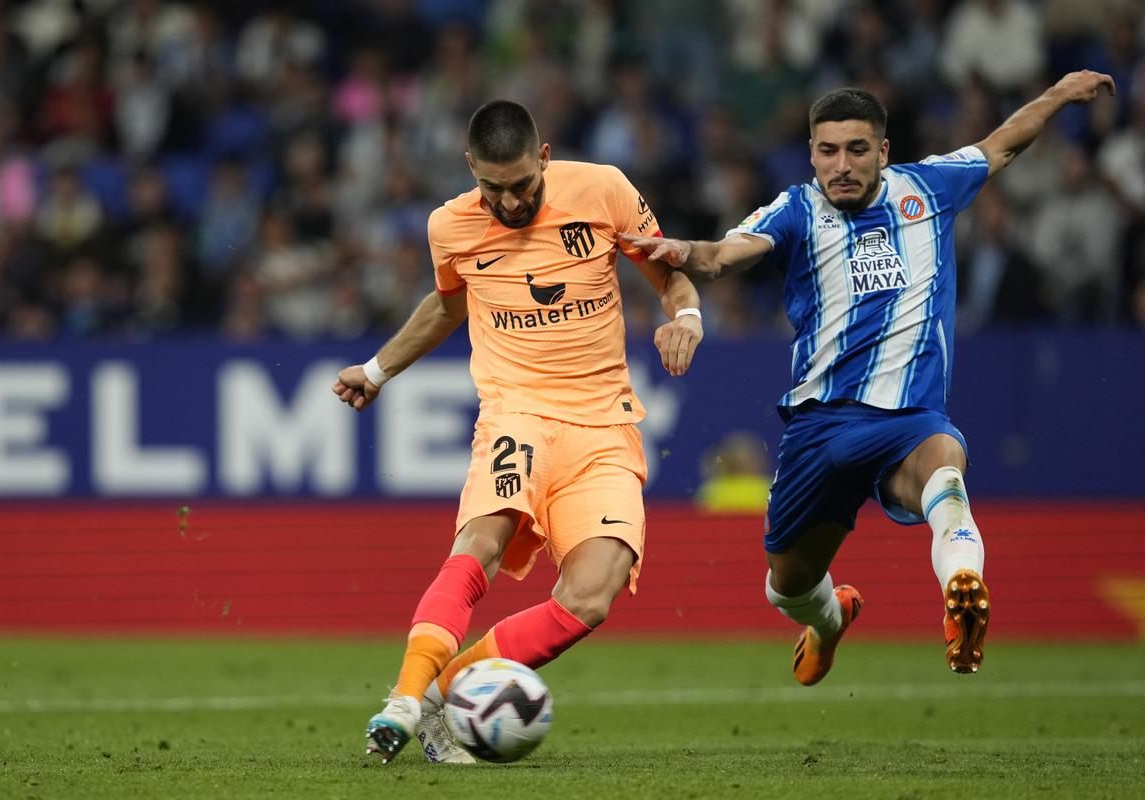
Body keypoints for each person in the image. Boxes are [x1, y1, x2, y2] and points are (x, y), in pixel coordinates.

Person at [621, 70, 1115, 686]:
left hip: (908, 417)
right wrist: (678, 252)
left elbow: (1002, 144)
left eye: (857, 149)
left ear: (883, 151)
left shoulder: (928, 188)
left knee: (944, 466)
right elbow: (722, 255)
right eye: (828, 151)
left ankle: (962, 583)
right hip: (820, 426)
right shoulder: (796, 208)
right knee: (787, 583)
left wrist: (1059, 93)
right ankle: (828, 624)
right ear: (811, 154)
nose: (842, 165)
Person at [333, 99, 703, 762]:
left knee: (592, 596)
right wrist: (376, 368)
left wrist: (688, 318)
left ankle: (442, 695)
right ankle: (404, 699)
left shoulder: (605, 190)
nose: (507, 202)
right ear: (471, 168)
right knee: (481, 538)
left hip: (604, 423)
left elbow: (667, 277)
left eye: (522, 186)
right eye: (492, 188)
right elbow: (449, 305)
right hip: (517, 414)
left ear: (545, 158)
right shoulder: (450, 226)